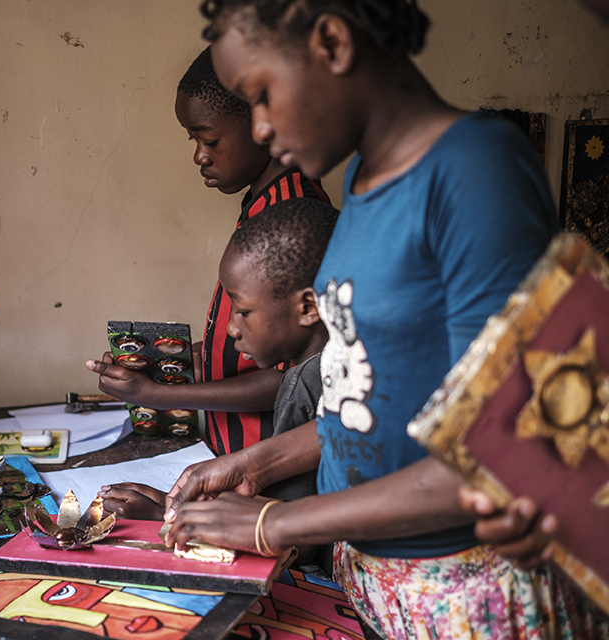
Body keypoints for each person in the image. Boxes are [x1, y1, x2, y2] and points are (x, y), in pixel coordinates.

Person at [162, 1, 607, 637]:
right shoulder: (366, 184)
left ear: (334, 43)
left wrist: (272, 523)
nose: (258, 129)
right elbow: (371, 402)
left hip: (462, 594)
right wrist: (253, 464)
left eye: (262, 95)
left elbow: (518, 448)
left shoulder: (472, 170)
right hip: (374, 581)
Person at [85, 47, 331, 520]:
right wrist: (159, 362)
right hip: (233, 465)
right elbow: (242, 345)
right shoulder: (262, 203)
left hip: (267, 478)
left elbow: (290, 376)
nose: (199, 155)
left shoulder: (292, 214)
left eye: (209, 138)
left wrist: (160, 396)